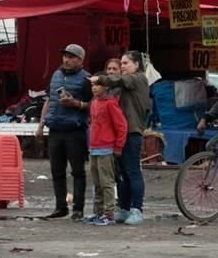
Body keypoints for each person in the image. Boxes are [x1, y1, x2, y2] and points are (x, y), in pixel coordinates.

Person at [92, 50, 150, 225]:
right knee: (122, 174)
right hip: (120, 136)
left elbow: (119, 79)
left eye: (126, 63)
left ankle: (137, 209)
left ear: (136, 64)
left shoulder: (137, 78)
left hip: (132, 133)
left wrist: (100, 79)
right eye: (122, 63)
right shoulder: (123, 86)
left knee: (133, 172)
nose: (122, 67)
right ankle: (124, 209)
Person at [35, 44, 92, 221]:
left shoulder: (87, 79)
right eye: (65, 56)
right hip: (55, 129)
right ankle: (60, 207)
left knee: (77, 171)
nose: (66, 60)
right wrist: (41, 124)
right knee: (56, 171)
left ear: (80, 60)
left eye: (71, 57)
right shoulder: (56, 75)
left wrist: (76, 104)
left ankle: (78, 209)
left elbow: (94, 106)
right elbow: (49, 100)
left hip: (75, 130)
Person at [85, 78, 127, 225]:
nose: (94, 88)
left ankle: (109, 214)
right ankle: (98, 212)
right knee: (97, 183)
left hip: (106, 148)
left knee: (106, 183)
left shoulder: (110, 104)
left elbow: (122, 126)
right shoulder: (94, 103)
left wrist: (118, 147)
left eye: (98, 85)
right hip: (94, 148)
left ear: (106, 87)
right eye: (92, 85)